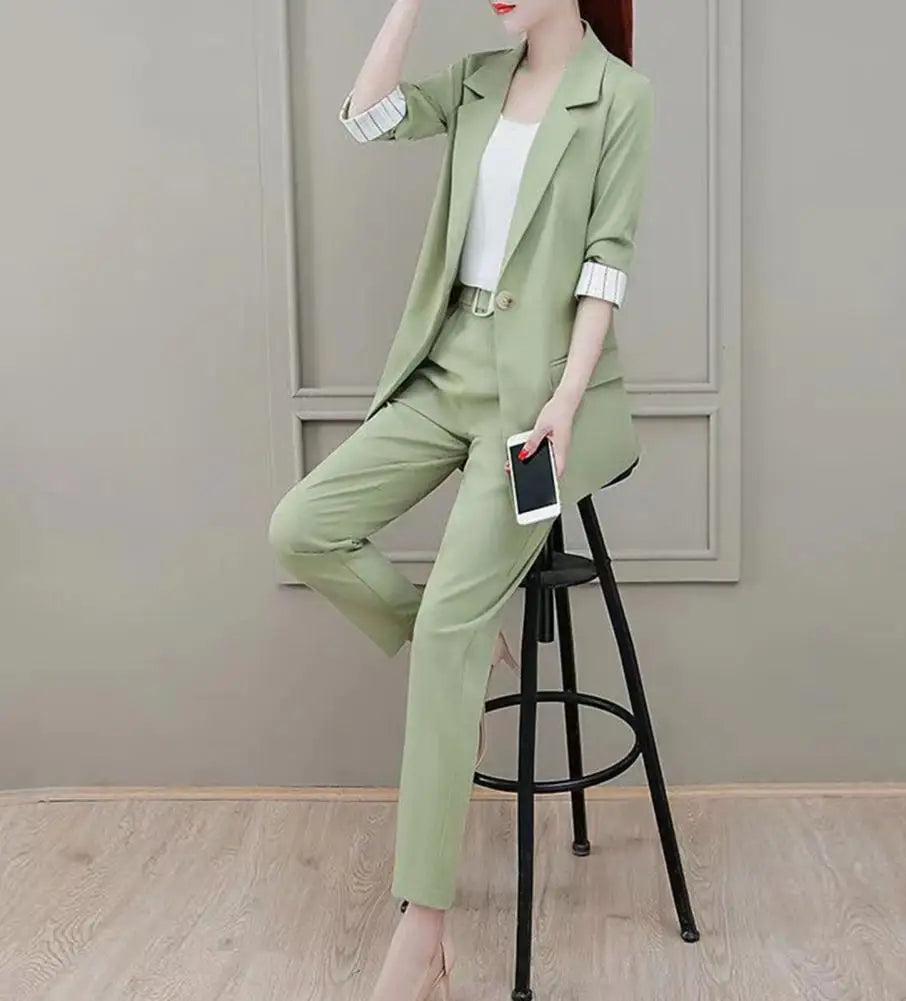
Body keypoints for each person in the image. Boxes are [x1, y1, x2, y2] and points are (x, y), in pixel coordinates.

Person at [268, 1, 653, 997]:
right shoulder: (480, 80)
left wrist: (565, 402)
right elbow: (368, 115)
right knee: (302, 527)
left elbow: (604, 266)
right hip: (445, 373)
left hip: (537, 403)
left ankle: (423, 928)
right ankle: (455, 638)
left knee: (448, 627)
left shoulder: (619, 97)